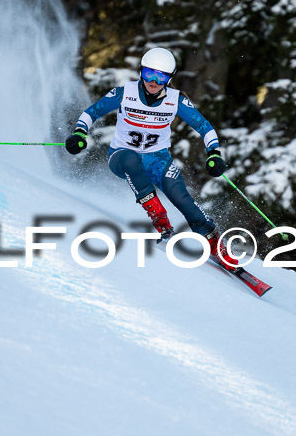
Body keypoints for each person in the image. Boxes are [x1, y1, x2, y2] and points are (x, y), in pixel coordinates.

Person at [65, 47, 239, 271]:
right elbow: (91, 112)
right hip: (121, 156)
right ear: (141, 72)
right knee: (130, 159)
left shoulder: (176, 100)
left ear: (169, 78)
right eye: (149, 74)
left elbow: (205, 127)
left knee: (182, 198)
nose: (154, 81)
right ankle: (160, 218)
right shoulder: (125, 93)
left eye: (161, 77)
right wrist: (79, 132)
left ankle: (214, 242)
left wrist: (214, 153)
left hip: (157, 159)